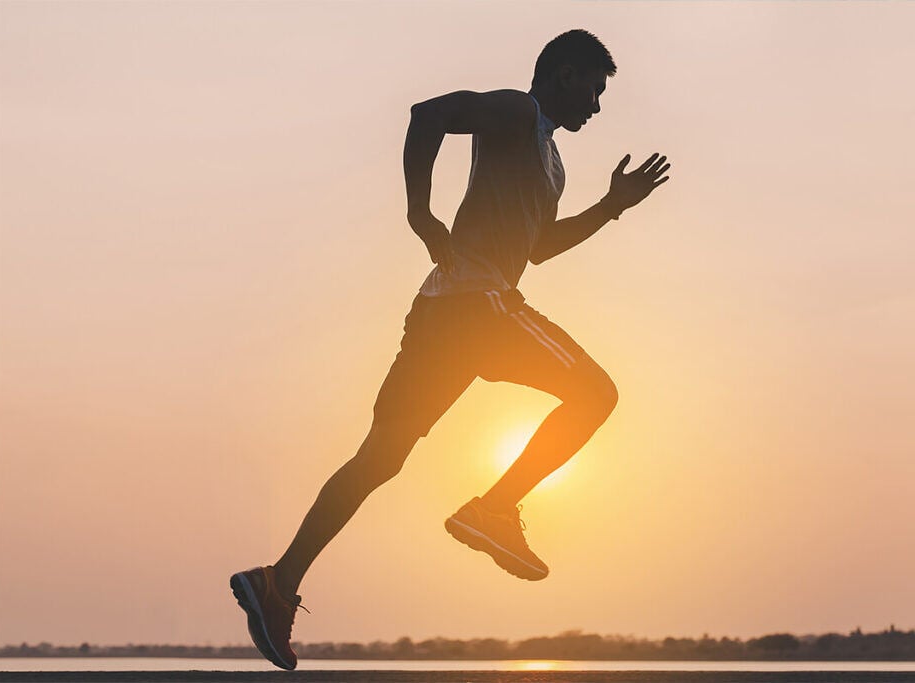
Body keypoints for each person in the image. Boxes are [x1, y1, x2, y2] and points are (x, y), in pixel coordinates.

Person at [230, 28, 669, 670]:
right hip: (479, 307)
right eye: (594, 90)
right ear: (565, 73)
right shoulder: (520, 113)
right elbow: (429, 114)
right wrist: (419, 211)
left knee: (379, 458)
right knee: (597, 393)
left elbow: (537, 249)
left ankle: (277, 582)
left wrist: (610, 207)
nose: (598, 107)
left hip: (441, 314)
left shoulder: (551, 159)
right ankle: (492, 510)